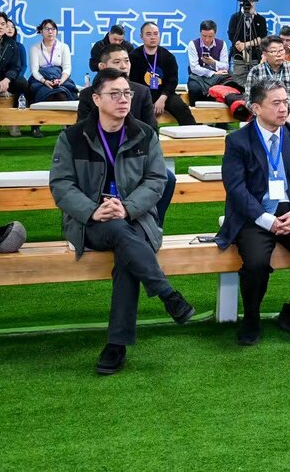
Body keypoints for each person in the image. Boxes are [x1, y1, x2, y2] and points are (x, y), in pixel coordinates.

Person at [49, 68, 195, 375]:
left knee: (127, 247)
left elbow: (156, 180)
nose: (123, 99)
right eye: (114, 94)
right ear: (96, 99)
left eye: (127, 93)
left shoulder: (144, 134)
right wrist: (93, 210)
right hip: (89, 222)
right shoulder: (73, 137)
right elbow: (61, 185)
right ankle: (167, 294)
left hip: (134, 217)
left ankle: (116, 345)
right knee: (121, 233)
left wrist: (126, 208)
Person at [217, 79, 290, 345]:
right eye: (276, 103)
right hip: (254, 216)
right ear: (256, 108)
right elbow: (236, 188)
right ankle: (251, 318)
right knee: (256, 263)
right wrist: (266, 220)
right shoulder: (237, 141)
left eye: (285, 102)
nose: (283, 108)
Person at [77, 44, 174, 227]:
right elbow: (82, 133)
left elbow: (151, 131)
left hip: (134, 156)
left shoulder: (142, 92)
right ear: (103, 67)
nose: (123, 66)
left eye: (126, 61)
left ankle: (153, 225)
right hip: (99, 157)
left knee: (167, 178)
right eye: (117, 62)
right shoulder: (89, 95)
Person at [128, 21, 196, 126]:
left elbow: (172, 81)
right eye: (148, 34)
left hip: (164, 94)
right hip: (142, 94)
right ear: (141, 36)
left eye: (156, 34)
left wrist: (162, 98)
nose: (153, 37)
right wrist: (147, 99)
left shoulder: (168, 56)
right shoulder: (134, 56)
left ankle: (192, 132)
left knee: (181, 108)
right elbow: (133, 82)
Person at [246, 36, 290, 128]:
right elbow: (248, 99)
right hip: (264, 117)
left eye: (281, 50)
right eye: (273, 51)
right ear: (265, 53)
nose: (279, 54)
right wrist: (263, 115)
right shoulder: (256, 71)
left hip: (288, 115)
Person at [0, 11, 29, 137]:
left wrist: (7, 79)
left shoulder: (12, 44)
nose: (0, 26)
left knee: (22, 83)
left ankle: (14, 121)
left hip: (2, 77)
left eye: (3, 24)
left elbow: (15, 67)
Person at [28, 18, 78, 103]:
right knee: (46, 96)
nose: (50, 32)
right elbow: (34, 71)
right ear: (41, 31)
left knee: (62, 95)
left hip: (60, 79)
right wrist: (44, 81)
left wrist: (61, 81)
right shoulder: (34, 48)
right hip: (41, 80)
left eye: (53, 29)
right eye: (47, 29)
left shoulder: (64, 47)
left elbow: (67, 68)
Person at [227, 0, 268, 88]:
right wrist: (242, 49)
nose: (250, 3)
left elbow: (262, 38)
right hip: (239, 57)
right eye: (247, 1)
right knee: (238, 84)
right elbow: (232, 36)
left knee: (256, 84)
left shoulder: (260, 19)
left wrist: (245, 45)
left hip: (256, 56)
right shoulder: (235, 17)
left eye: (252, 1)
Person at [186, 19, 233, 102]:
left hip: (218, 77)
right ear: (200, 33)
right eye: (204, 36)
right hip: (198, 77)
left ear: (215, 34)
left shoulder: (222, 44)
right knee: (194, 89)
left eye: (210, 36)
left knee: (230, 86)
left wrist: (213, 62)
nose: (207, 39)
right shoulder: (193, 44)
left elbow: (225, 66)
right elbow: (194, 68)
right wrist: (212, 73)